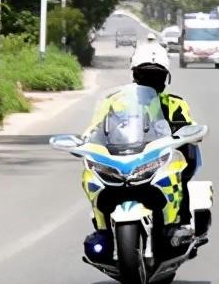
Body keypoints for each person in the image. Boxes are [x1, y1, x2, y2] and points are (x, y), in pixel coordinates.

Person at [81, 45, 199, 247]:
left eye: (156, 76)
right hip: (126, 158)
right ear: (135, 75)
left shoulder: (176, 103)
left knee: (182, 170)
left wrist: (191, 134)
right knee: (92, 175)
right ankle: (102, 228)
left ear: (165, 78)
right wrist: (86, 141)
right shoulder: (114, 102)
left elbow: (190, 126)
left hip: (161, 159)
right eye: (145, 75)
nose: (151, 81)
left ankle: (182, 222)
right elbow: (94, 128)